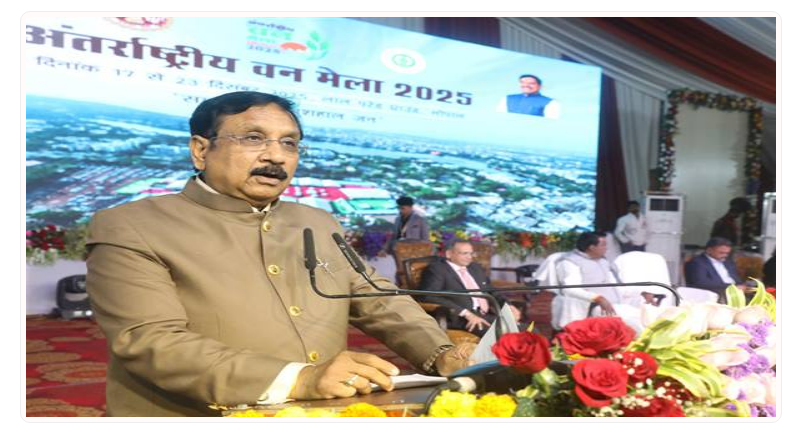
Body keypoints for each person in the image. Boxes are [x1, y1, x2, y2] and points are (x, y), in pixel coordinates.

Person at [85, 91, 473, 417]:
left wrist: (440, 352)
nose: (276, 156)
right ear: (201, 150)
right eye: (254, 138)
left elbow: (377, 298)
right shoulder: (133, 226)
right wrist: (301, 378)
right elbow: (151, 341)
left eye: (289, 143)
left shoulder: (316, 222)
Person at [417, 239, 524, 337]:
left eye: (471, 253)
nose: (470, 257)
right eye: (465, 253)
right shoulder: (437, 269)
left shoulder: (475, 267)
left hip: (485, 314)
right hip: (461, 318)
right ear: (449, 254)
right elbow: (428, 296)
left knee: (527, 330)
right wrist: (466, 313)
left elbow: (490, 291)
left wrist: (508, 306)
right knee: (502, 335)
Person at [552, 232, 653, 333]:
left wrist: (642, 292)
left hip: (616, 303)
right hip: (594, 306)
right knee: (636, 323)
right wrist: (598, 298)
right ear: (591, 247)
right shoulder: (570, 262)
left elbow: (617, 287)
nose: (606, 248)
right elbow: (570, 289)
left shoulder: (603, 261)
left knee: (648, 314)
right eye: (603, 245)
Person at [497, 74, 561, 119]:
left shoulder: (550, 102)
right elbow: (500, 118)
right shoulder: (508, 98)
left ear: (539, 86)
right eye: (523, 83)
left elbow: (550, 123)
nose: (526, 85)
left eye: (531, 83)